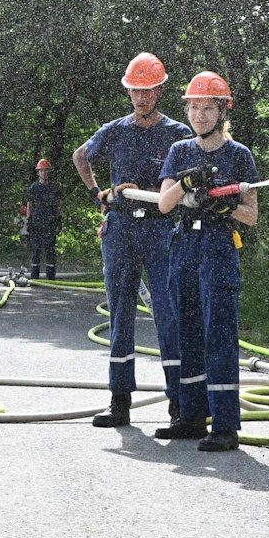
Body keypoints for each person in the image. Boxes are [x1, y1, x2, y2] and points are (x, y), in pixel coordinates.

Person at [72, 52, 192, 427]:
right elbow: (80, 156)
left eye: (148, 91)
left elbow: (192, 176)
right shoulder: (115, 130)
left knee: (167, 313)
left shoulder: (177, 134)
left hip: (160, 228)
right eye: (135, 92)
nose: (142, 98)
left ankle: (179, 405)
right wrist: (99, 194)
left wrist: (163, 191)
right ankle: (119, 401)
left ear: (159, 90)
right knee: (121, 312)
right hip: (120, 228)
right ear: (129, 92)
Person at [157, 72, 258, 451]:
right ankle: (192, 416)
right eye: (193, 107)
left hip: (218, 247)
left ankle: (226, 426)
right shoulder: (179, 151)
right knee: (187, 330)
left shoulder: (238, 155)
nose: (199, 114)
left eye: (207, 107)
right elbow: (165, 204)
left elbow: (252, 215)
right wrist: (186, 184)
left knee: (218, 332)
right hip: (184, 244)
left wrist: (227, 204)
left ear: (222, 111)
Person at [25, 157, 62, 280]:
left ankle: (51, 277)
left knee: (50, 249)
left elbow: (58, 204)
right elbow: (29, 205)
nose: (44, 173)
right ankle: (34, 277)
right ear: (38, 172)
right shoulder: (33, 188)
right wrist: (28, 221)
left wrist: (59, 219)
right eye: (42, 171)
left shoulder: (54, 188)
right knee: (36, 249)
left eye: (46, 170)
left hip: (50, 221)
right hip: (36, 221)